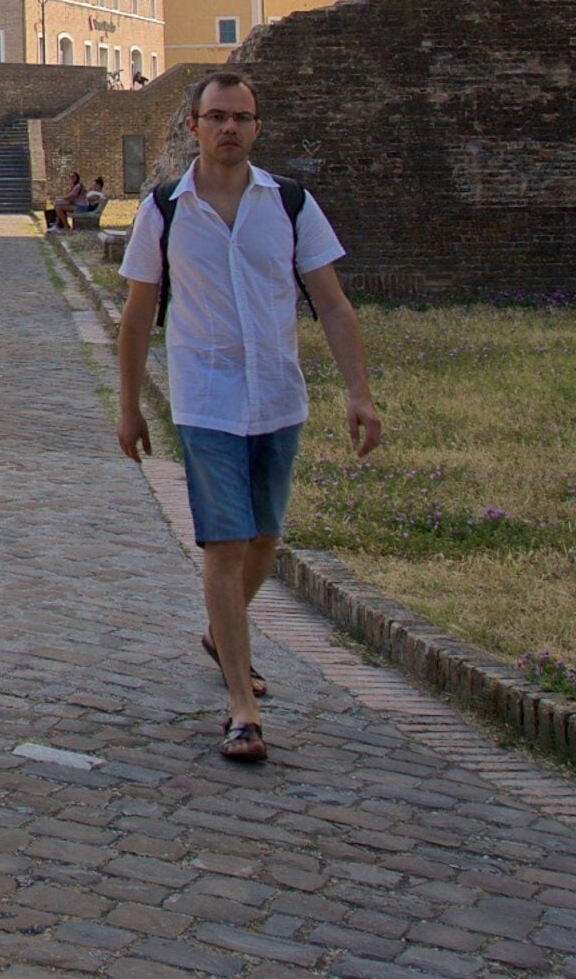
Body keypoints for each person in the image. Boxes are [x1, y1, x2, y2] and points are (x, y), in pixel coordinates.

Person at [111, 70, 380, 765]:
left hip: (278, 398)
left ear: (257, 127)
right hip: (205, 401)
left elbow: (334, 303)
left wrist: (360, 393)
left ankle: (219, 630)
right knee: (225, 546)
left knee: (264, 539)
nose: (229, 128)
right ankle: (242, 706)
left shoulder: (289, 204)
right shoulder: (164, 208)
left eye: (241, 117)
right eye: (217, 116)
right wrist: (129, 404)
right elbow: (138, 315)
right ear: (193, 127)